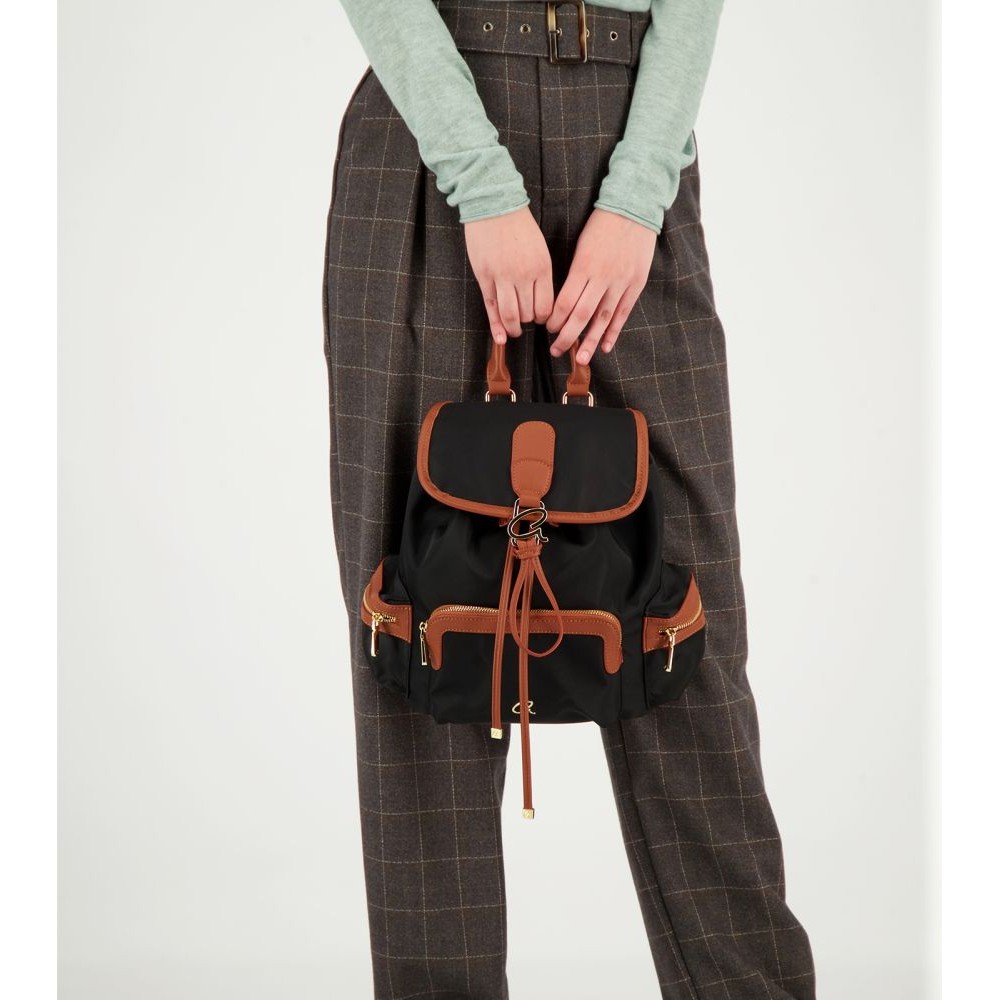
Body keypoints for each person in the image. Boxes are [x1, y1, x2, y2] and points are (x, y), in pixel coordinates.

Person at [322, 2, 816, 997]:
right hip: (430, 133)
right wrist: (479, 181)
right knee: (423, 630)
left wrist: (637, 196)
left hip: (629, 141)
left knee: (686, 628)